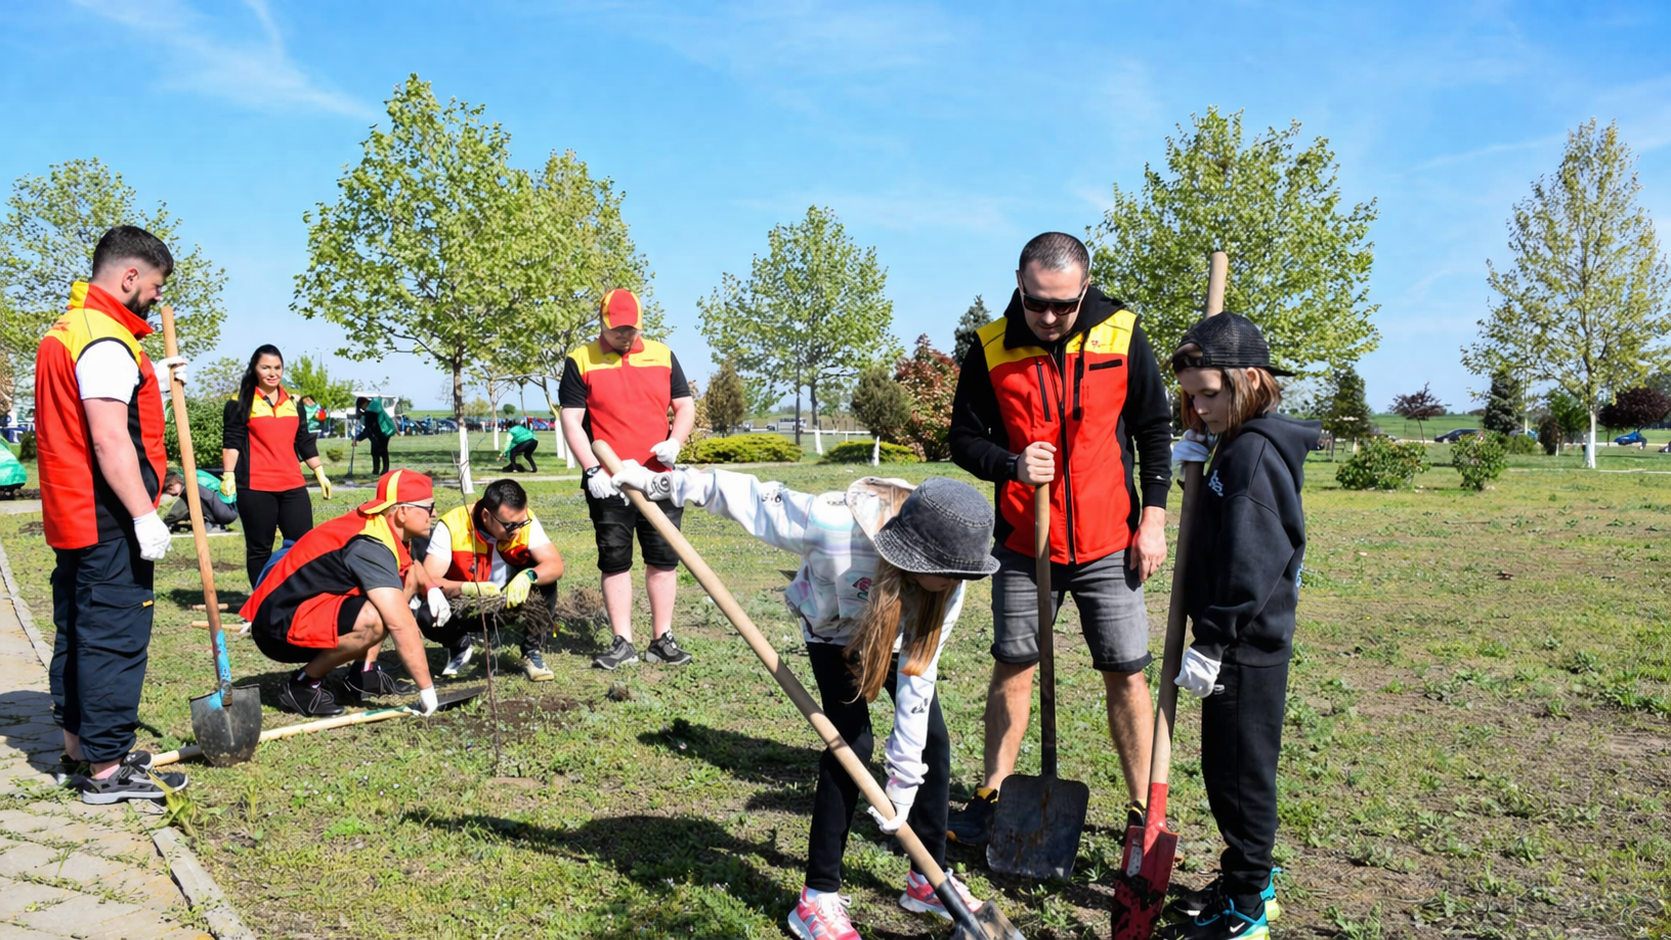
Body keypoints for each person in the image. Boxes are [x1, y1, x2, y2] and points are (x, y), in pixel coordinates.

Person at [612, 461, 998, 940]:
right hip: (832, 629)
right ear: (919, 558)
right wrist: (660, 482)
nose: (960, 583)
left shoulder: (951, 581)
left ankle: (927, 879)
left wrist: (902, 783)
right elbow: (750, 499)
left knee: (933, 742)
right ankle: (817, 897)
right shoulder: (832, 525)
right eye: (952, 574)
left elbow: (918, 681)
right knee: (850, 743)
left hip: (901, 634)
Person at [945, 231, 1172, 844]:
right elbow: (963, 438)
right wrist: (1010, 464)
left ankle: (1144, 813)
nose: (1048, 317)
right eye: (1037, 302)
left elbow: (1154, 429)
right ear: (1020, 283)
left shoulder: (1122, 333)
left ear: (1085, 288)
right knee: (1013, 664)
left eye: (1063, 305)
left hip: (1110, 543)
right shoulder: (991, 346)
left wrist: (1153, 518)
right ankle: (992, 794)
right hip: (1025, 542)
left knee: (1126, 671)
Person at [1160, 313, 1318, 940]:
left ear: (1248, 380)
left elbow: (1250, 560)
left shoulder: (1252, 452)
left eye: (1208, 394)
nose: (1198, 409)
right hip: (1238, 640)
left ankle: (1247, 908)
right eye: (1190, 397)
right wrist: (1197, 473)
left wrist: (1212, 641)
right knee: (1232, 768)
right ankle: (1251, 880)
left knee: (1238, 776)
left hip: (1244, 645)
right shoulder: (1238, 442)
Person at [34, 224, 190, 803]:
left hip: (73, 512)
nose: (156, 297)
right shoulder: (104, 340)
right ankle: (106, 770)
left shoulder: (72, 328)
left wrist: (154, 378)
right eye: (155, 286)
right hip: (106, 517)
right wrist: (144, 515)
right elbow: (108, 437)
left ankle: (80, 750)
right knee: (114, 636)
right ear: (129, 276)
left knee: (79, 630)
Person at [559, 288, 696, 670]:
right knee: (615, 559)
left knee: (664, 558)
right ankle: (623, 642)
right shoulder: (581, 359)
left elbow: (684, 406)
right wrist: (592, 469)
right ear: (602, 324)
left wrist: (675, 441)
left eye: (631, 329)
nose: (625, 336)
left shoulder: (662, 355)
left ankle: (662, 640)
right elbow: (571, 420)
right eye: (617, 329)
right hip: (609, 481)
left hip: (658, 478)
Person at [239, 469, 446, 717]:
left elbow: (412, 570)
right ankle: (303, 686)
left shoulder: (382, 527)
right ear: (402, 512)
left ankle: (363, 674)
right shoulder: (370, 545)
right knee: (375, 620)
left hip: (303, 608)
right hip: (276, 625)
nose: (434, 513)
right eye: (428, 507)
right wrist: (427, 690)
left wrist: (431, 588)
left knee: (403, 582)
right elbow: (400, 625)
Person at [406, 478, 565, 681]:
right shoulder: (453, 525)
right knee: (427, 611)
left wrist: (528, 577)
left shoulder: (524, 522)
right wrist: (468, 588)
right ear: (486, 516)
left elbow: (555, 564)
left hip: (508, 602)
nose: (517, 530)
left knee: (546, 582)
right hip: (465, 607)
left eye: (521, 523)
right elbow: (429, 580)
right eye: (509, 525)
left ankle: (531, 651)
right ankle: (460, 646)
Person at [222, 346, 334, 586]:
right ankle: (261, 600)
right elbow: (232, 441)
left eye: (277, 367)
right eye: (266, 367)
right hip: (255, 487)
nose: (272, 373)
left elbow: (304, 440)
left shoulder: (294, 402)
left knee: (302, 544)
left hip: (292, 486)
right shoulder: (239, 402)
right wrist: (228, 475)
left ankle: (295, 597)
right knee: (260, 549)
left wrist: (320, 472)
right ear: (255, 369)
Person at [160, 469, 239, 532]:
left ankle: (213, 524)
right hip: (225, 510)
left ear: (177, 481)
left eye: (170, 489)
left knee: (189, 489)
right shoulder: (191, 479)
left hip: (227, 510)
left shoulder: (193, 483)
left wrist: (166, 520)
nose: (171, 493)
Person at [355, 396, 394, 476]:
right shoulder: (373, 408)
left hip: (383, 432)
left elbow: (368, 429)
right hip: (383, 431)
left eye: (361, 407)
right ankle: (378, 470)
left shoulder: (370, 412)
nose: (362, 409)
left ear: (365, 403)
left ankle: (383, 470)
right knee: (376, 451)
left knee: (382, 450)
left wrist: (358, 438)